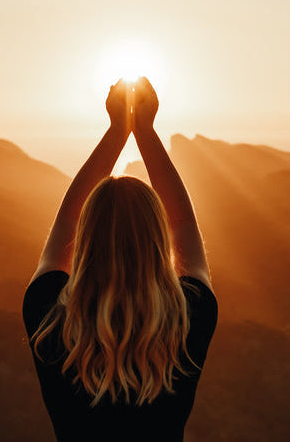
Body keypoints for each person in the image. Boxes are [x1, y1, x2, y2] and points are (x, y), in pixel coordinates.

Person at [23, 76, 218, 442]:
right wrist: (145, 131)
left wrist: (116, 131)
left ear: (86, 240)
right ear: (158, 241)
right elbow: (185, 226)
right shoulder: (188, 319)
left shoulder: (49, 317)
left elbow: (65, 222)